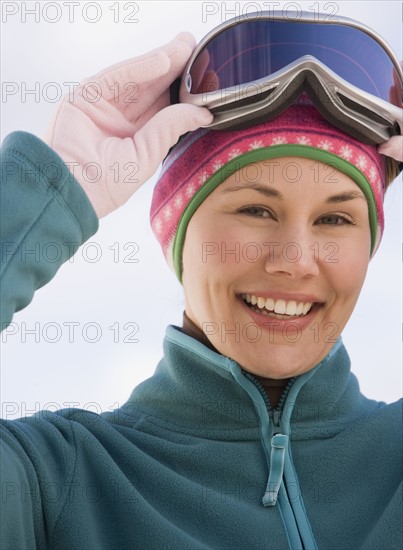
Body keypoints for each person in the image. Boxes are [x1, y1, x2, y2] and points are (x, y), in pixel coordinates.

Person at [1, 12, 402, 550]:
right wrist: (43, 196)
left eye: (335, 219)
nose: (295, 261)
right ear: (177, 236)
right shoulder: (52, 481)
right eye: (257, 210)